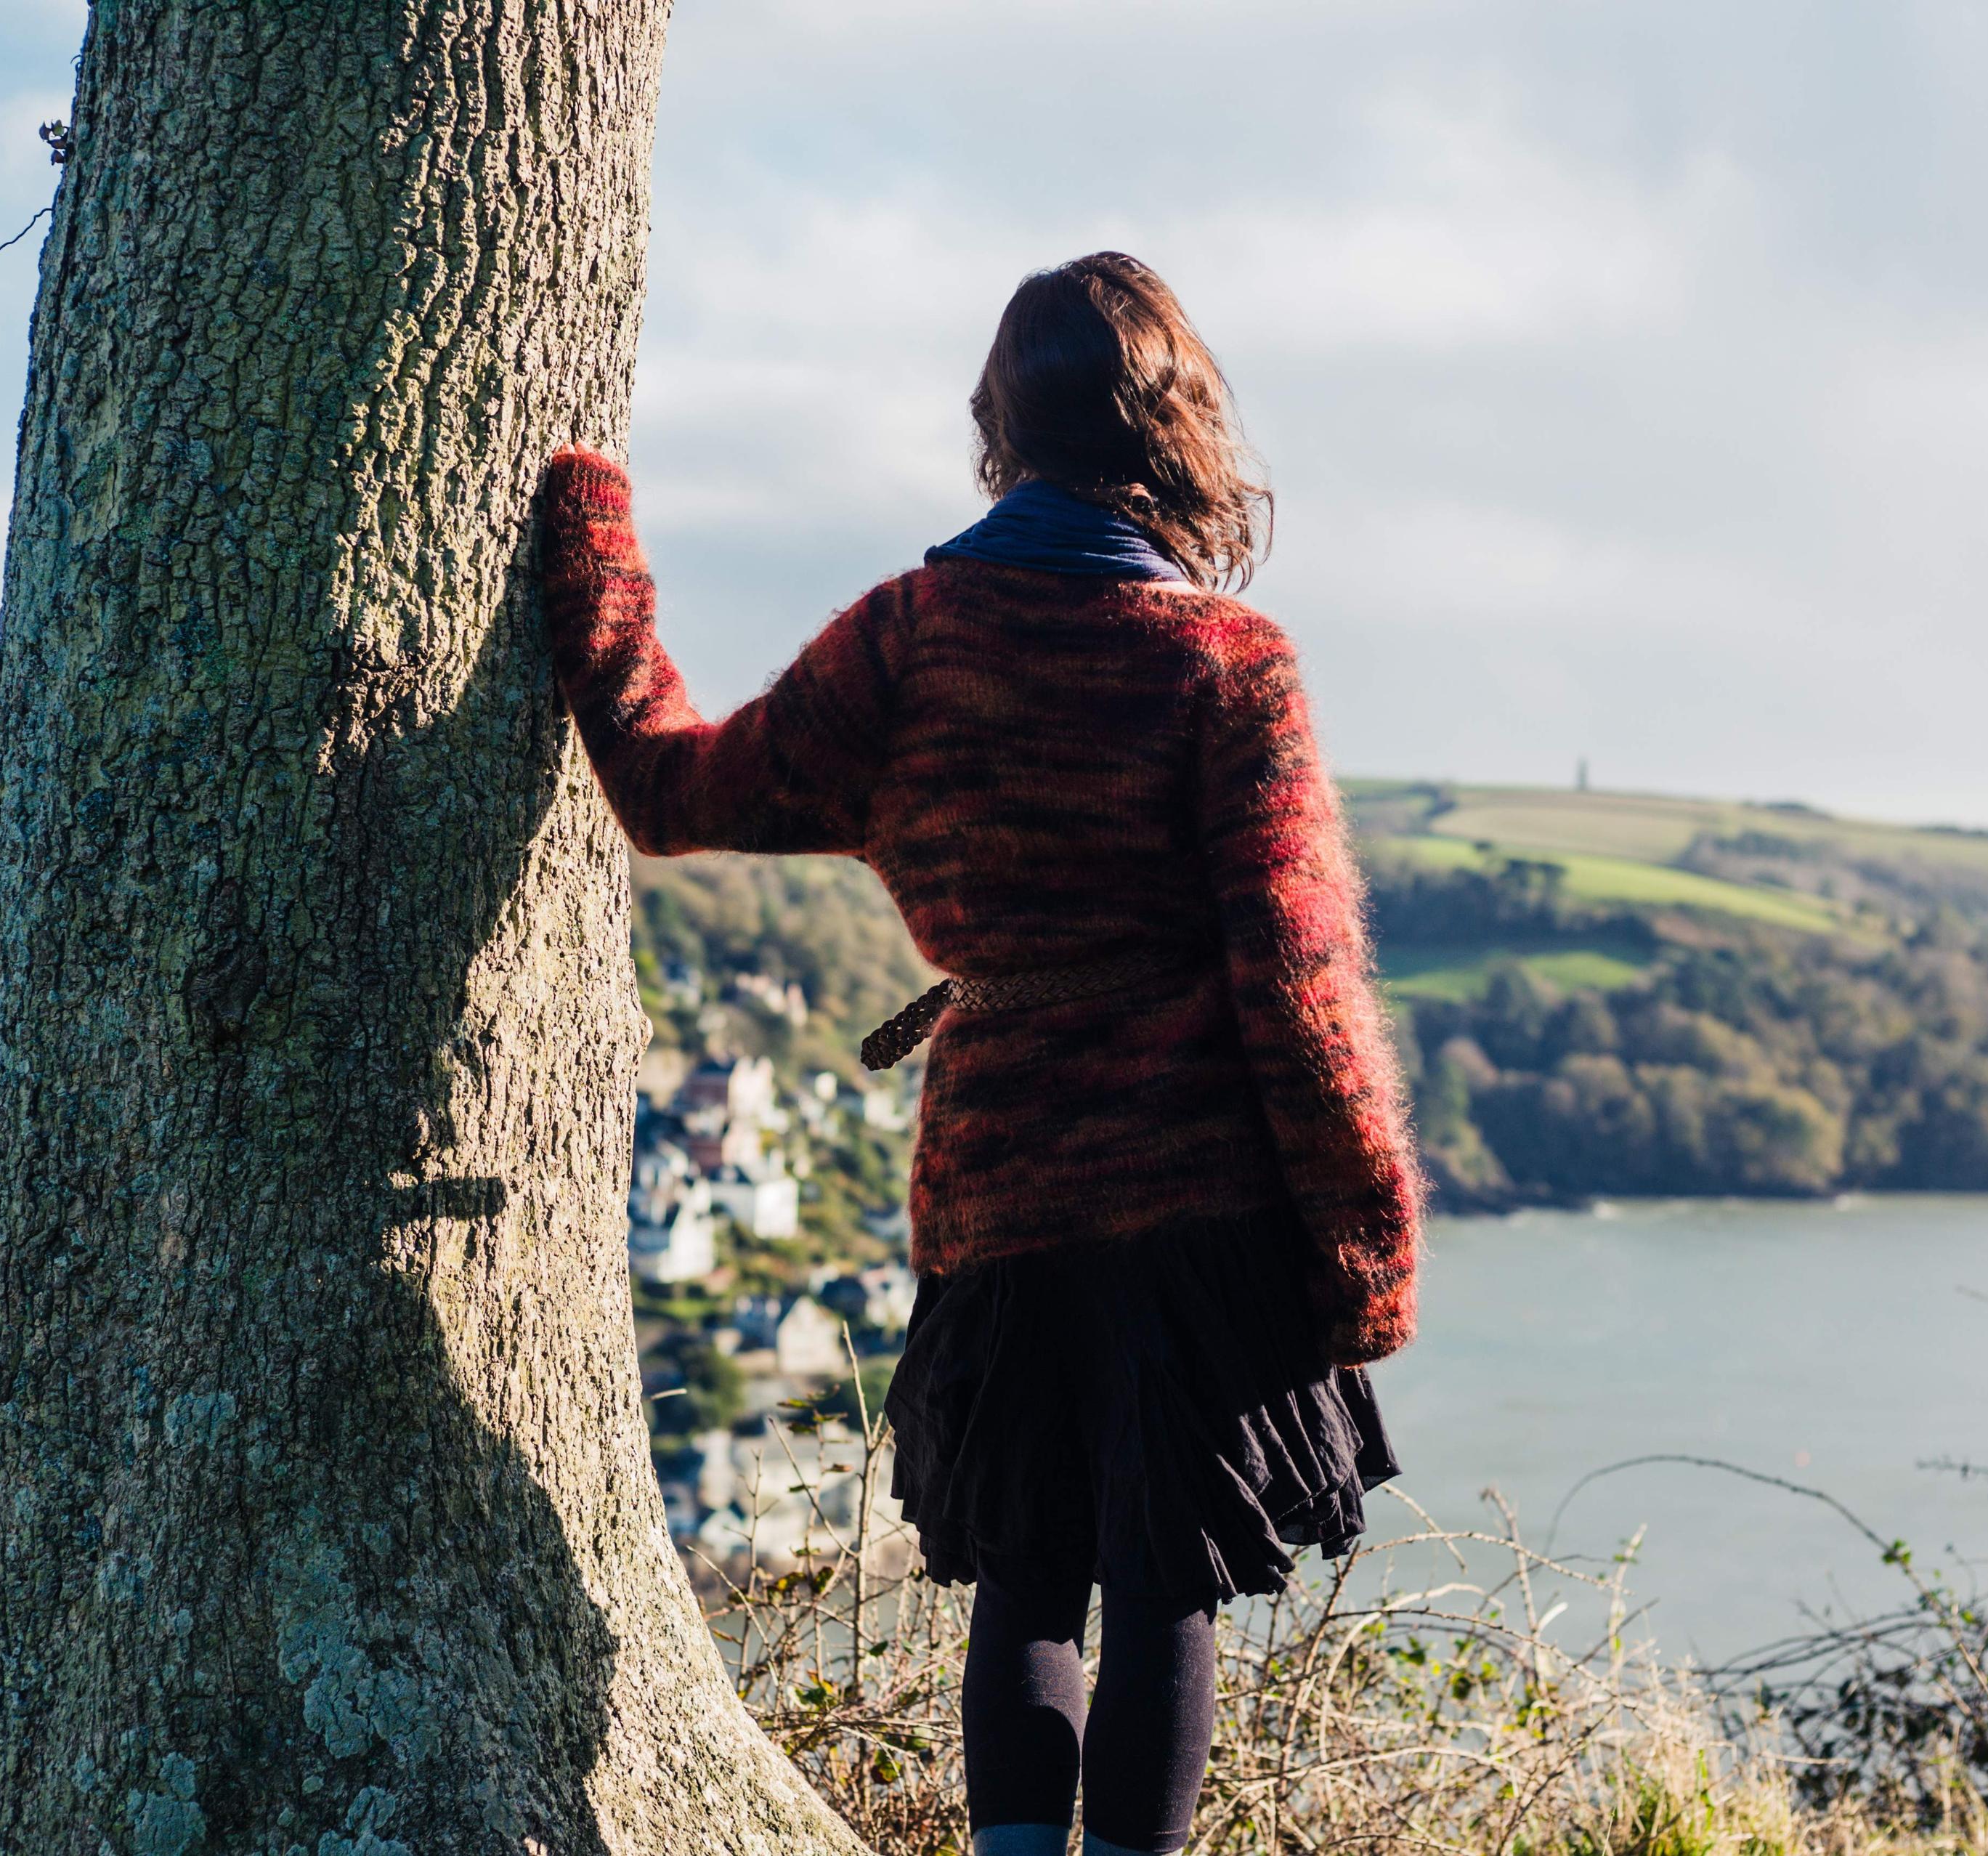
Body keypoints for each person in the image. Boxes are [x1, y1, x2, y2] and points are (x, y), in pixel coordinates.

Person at [538, 251, 1424, 1856]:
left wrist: (597, 554)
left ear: (997, 429)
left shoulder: (908, 642)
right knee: (1166, 1593)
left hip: (998, 1186)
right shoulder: (1227, 662)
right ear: (1178, 429)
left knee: (1024, 1577)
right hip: (1201, 1199)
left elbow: (671, 793)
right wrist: (1367, 1237)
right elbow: (1299, 983)